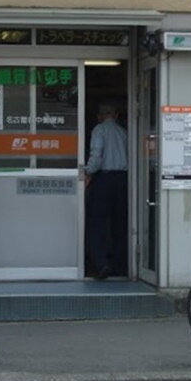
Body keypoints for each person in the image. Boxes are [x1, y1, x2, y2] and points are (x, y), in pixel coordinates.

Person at [84, 103, 128, 280]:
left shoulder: (99, 130)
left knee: (97, 222)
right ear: (115, 115)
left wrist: (87, 172)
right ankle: (119, 265)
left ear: (100, 116)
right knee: (120, 224)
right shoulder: (124, 132)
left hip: (103, 178)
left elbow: (97, 155)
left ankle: (101, 264)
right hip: (123, 179)